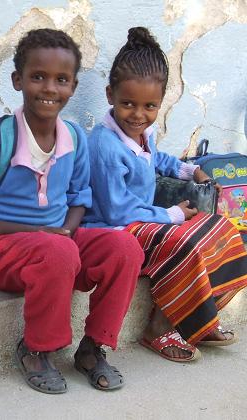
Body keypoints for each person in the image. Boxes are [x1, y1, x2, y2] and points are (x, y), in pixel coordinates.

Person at [0, 28, 144, 393]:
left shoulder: (76, 139)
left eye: (61, 79)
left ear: (74, 87)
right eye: (38, 77)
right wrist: (43, 236)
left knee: (125, 248)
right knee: (58, 250)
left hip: (58, 246)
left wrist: (65, 230)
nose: (49, 88)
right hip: (0, 251)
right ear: (18, 80)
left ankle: (93, 347)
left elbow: (80, 198)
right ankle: (36, 349)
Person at [83, 27, 247, 363]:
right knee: (186, 242)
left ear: (160, 103)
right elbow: (116, 211)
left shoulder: (142, 131)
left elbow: (156, 160)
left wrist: (191, 170)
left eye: (149, 106)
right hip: (114, 228)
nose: (138, 115)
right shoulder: (104, 145)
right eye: (127, 103)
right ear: (109, 94)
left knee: (223, 228)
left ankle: (199, 319)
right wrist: (169, 215)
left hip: (143, 215)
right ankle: (158, 327)